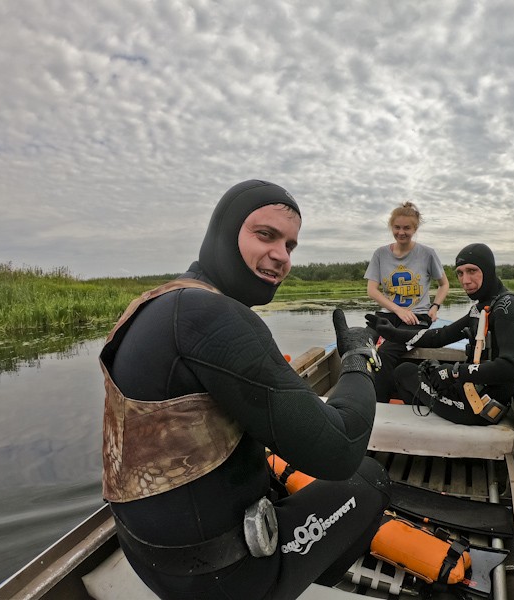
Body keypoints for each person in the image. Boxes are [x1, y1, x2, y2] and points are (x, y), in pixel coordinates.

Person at [100, 180, 390, 600]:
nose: (281, 256)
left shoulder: (162, 301)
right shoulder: (212, 316)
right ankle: (302, 579)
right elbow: (341, 448)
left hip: (149, 559)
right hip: (222, 581)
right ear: (223, 231)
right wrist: (358, 360)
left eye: (290, 245)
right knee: (370, 478)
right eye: (265, 235)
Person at [366, 243, 514, 426]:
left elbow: (511, 367)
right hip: (472, 392)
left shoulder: (506, 309)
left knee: (403, 373)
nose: (465, 280)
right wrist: (393, 333)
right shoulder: (483, 307)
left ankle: (406, 426)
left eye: (472, 271)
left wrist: (453, 372)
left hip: (478, 408)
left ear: (488, 270)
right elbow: (441, 336)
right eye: (460, 273)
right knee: (417, 370)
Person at [364, 202, 449, 402]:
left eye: (407, 228)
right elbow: (371, 290)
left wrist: (435, 306)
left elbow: (444, 285)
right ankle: (358, 394)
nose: (401, 232)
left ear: (415, 229)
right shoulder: (380, 254)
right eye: (397, 227)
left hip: (416, 317)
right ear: (391, 227)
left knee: (385, 353)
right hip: (389, 314)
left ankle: (379, 405)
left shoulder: (427, 254)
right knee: (361, 346)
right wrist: (398, 310)